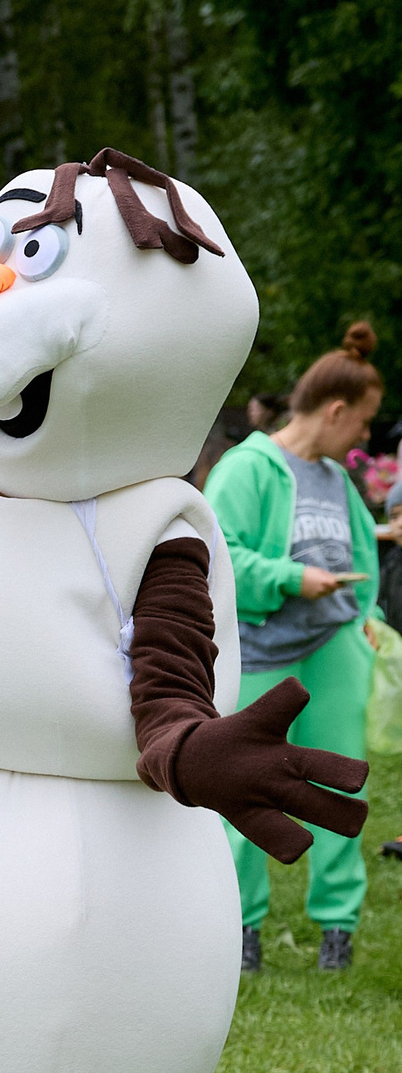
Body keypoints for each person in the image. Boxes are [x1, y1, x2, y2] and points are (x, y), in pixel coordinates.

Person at [204, 321, 386, 972]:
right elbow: (219, 557)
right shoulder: (247, 469)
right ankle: (241, 929)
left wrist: (363, 616)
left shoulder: (336, 478)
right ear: (335, 411)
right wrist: (293, 579)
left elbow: (360, 554)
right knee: (244, 788)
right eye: (363, 421)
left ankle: (337, 929)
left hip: (334, 648)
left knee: (342, 781)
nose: (366, 436)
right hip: (260, 653)